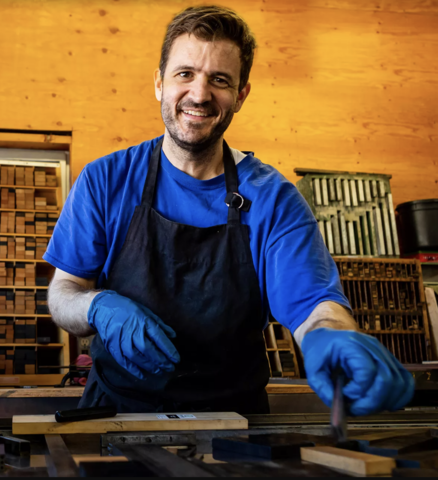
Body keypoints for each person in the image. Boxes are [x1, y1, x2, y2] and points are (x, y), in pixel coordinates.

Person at [45, 5, 414, 415]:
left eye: (219, 80)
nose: (199, 94)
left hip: (235, 427)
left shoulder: (274, 198)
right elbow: (63, 294)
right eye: (184, 74)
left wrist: (333, 336)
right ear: (159, 83)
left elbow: (314, 305)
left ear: (240, 95)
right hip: (115, 415)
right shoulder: (106, 180)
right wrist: (97, 306)